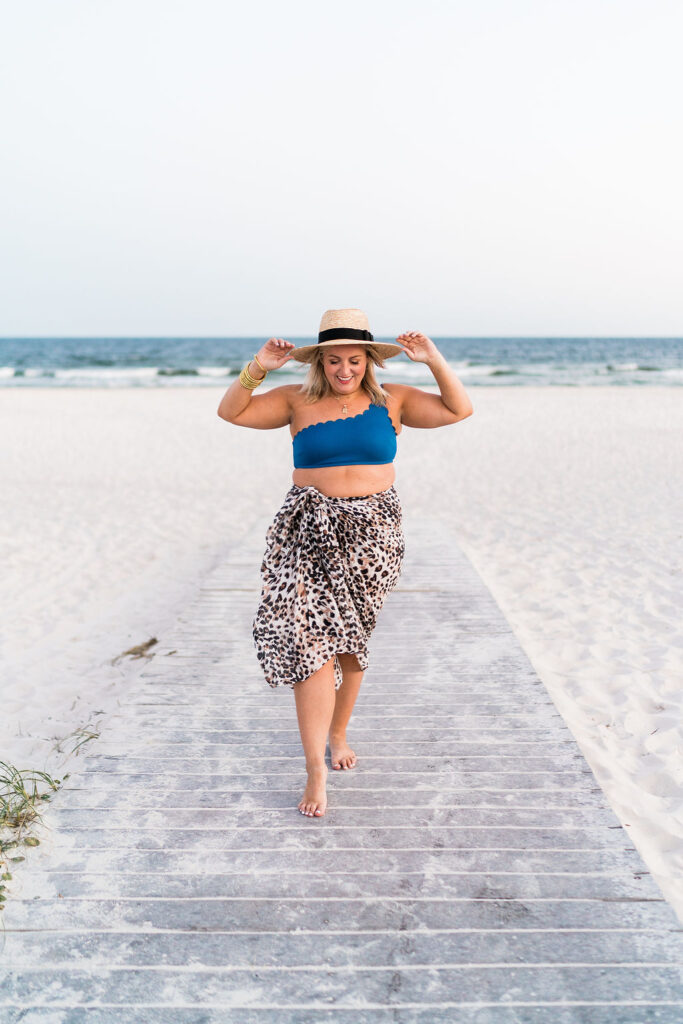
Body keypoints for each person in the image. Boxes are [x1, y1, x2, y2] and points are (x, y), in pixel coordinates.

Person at [217, 308, 473, 818]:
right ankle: (315, 767)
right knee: (313, 644)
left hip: (374, 536)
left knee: (353, 642)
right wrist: (258, 367)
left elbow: (458, 409)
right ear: (320, 362)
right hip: (307, 531)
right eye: (333, 361)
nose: (343, 370)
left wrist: (433, 359)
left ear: (368, 361)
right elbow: (233, 412)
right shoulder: (296, 401)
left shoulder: (392, 399)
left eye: (353, 360)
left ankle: (338, 733)